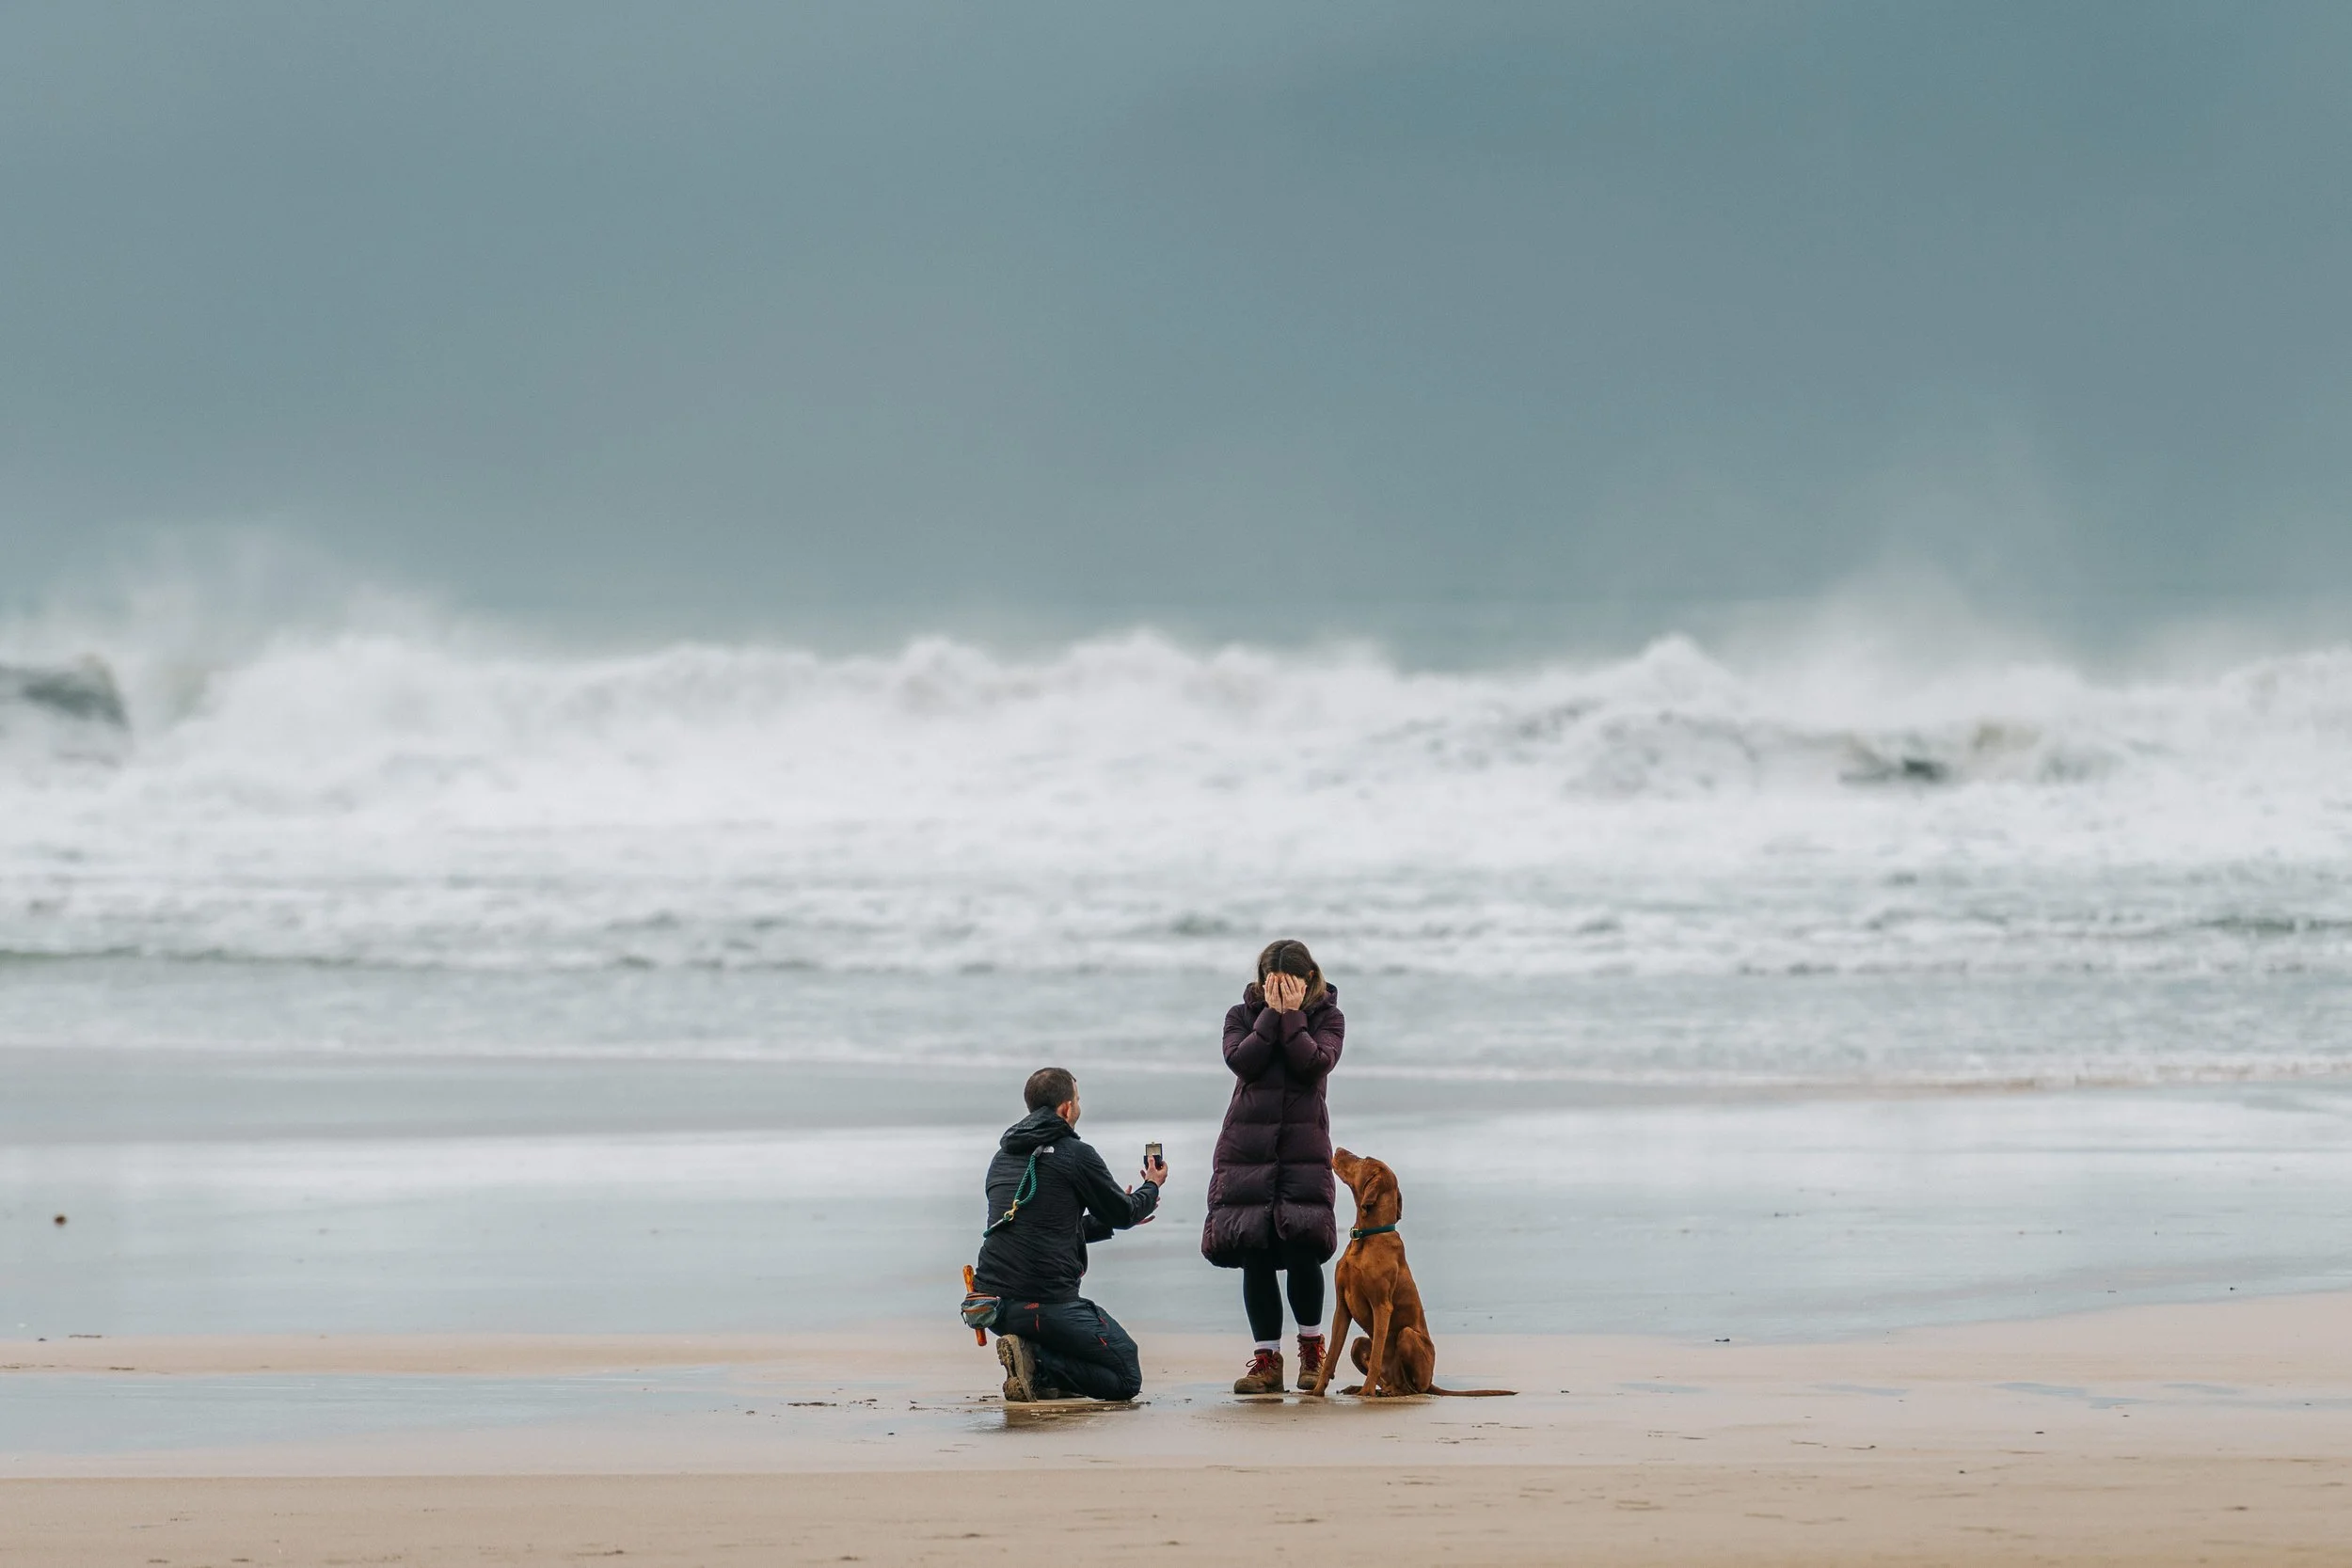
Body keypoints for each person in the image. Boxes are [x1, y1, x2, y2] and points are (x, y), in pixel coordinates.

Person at [971, 1066, 1167, 1402]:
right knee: (1125, 1377)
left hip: (994, 1308)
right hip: (1045, 1304)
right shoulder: (1076, 1154)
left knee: (1080, 1347)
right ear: (1067, 1108)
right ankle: (1036, 1362)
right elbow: (1124, 1212)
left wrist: (1114, 1220)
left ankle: (1032, 1358)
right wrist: (1151, 1185)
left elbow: (1042, 1228)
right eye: (1077, 1098)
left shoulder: (1001, 1157)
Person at [1201, 939, 1343, 1394]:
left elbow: (1314, 1064)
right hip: (1247, 1144)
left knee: (1303, 1245)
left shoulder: (1328, 1017)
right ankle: (1266, 1361)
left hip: (1303, 1144)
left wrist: (1294, 1018)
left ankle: (1310, 1353)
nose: (1278, 990)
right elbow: (1242, 1061)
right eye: (1270, 984)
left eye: (1289, 983)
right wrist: (1270, 1016)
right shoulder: (1240, 1015)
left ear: (1309, 979)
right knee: (1254, 1250)